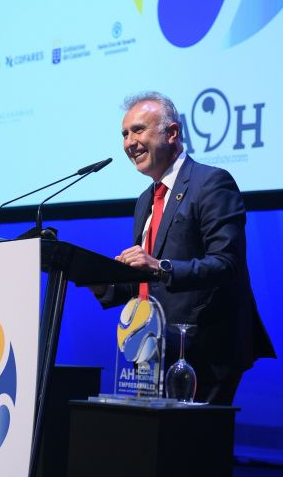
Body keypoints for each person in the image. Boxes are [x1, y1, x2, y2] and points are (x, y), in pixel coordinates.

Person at [92, 91, 276, 405]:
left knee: (192, 438)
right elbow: (147, 282)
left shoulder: (212, 183)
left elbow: (226, 264)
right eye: (124, 134)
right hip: (153, 349)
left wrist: (159, 266)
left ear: (172, 133)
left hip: (205, 351)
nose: (129, 142)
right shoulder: (145, 200)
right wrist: (99, 280)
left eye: (138, 130)